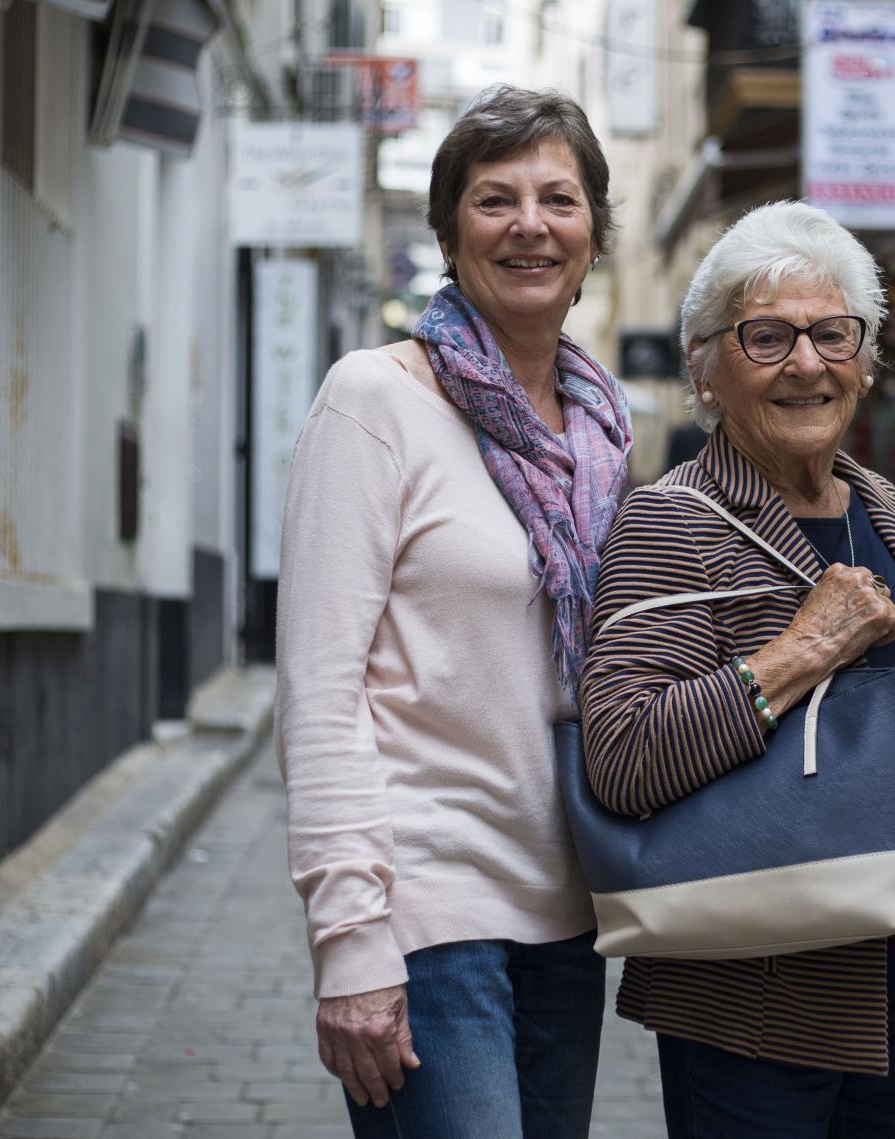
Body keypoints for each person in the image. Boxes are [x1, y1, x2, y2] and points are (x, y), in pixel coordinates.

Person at [579, 201, 895, 1137]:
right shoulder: (672, 521)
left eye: (831, 333)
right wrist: (803, 649)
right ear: (705, 368)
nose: (806, 362)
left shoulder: (878, 501)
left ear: (864, 355)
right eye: (765, 336)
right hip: (759, 1002)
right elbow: (621, 754)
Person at [275, 85, 632, 1139]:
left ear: (594, 233)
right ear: (446, 231)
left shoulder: (599, 435)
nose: (530, 224)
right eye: (494, 199)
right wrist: (350, 940)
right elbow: (319, 689)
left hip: (567, 911)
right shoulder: (374, 400)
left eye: (558, 199)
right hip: (427, 911)